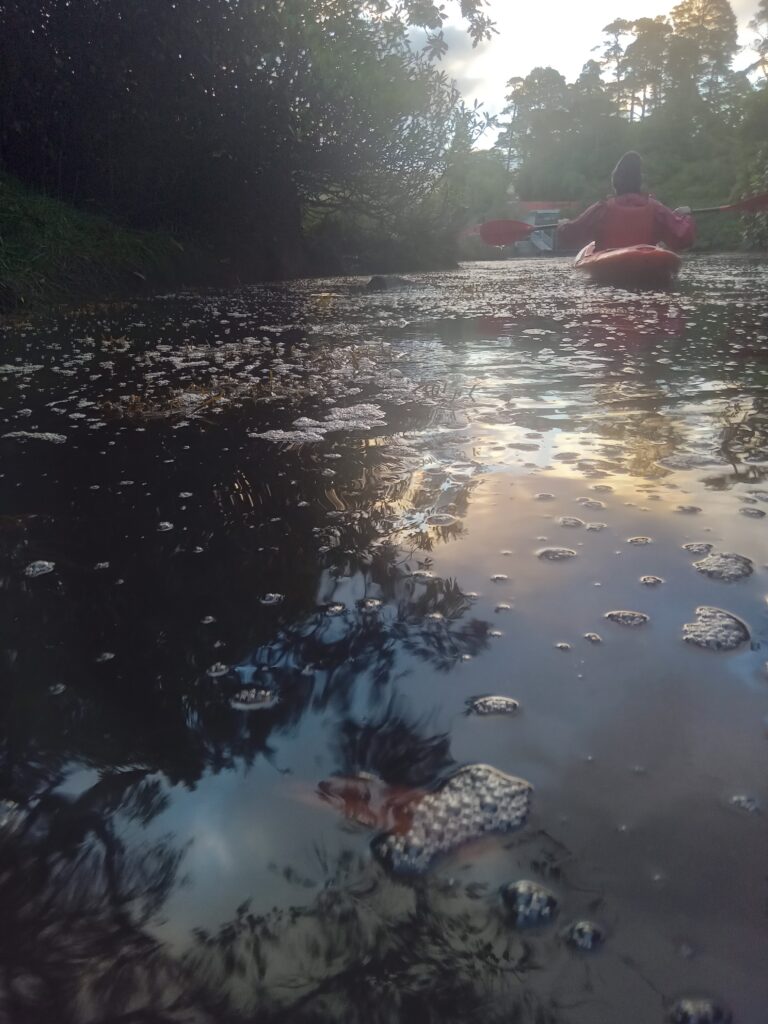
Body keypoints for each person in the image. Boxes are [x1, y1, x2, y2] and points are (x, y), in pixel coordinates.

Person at [557, 151, 695, 252]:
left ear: (615, 182)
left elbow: (572, 234)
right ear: (639, 182)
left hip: (609, 268)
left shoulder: (602, 208)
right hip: (646, 264)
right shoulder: (656, 208)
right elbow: (683, 237)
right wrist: (684, 217)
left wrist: (563, 226)